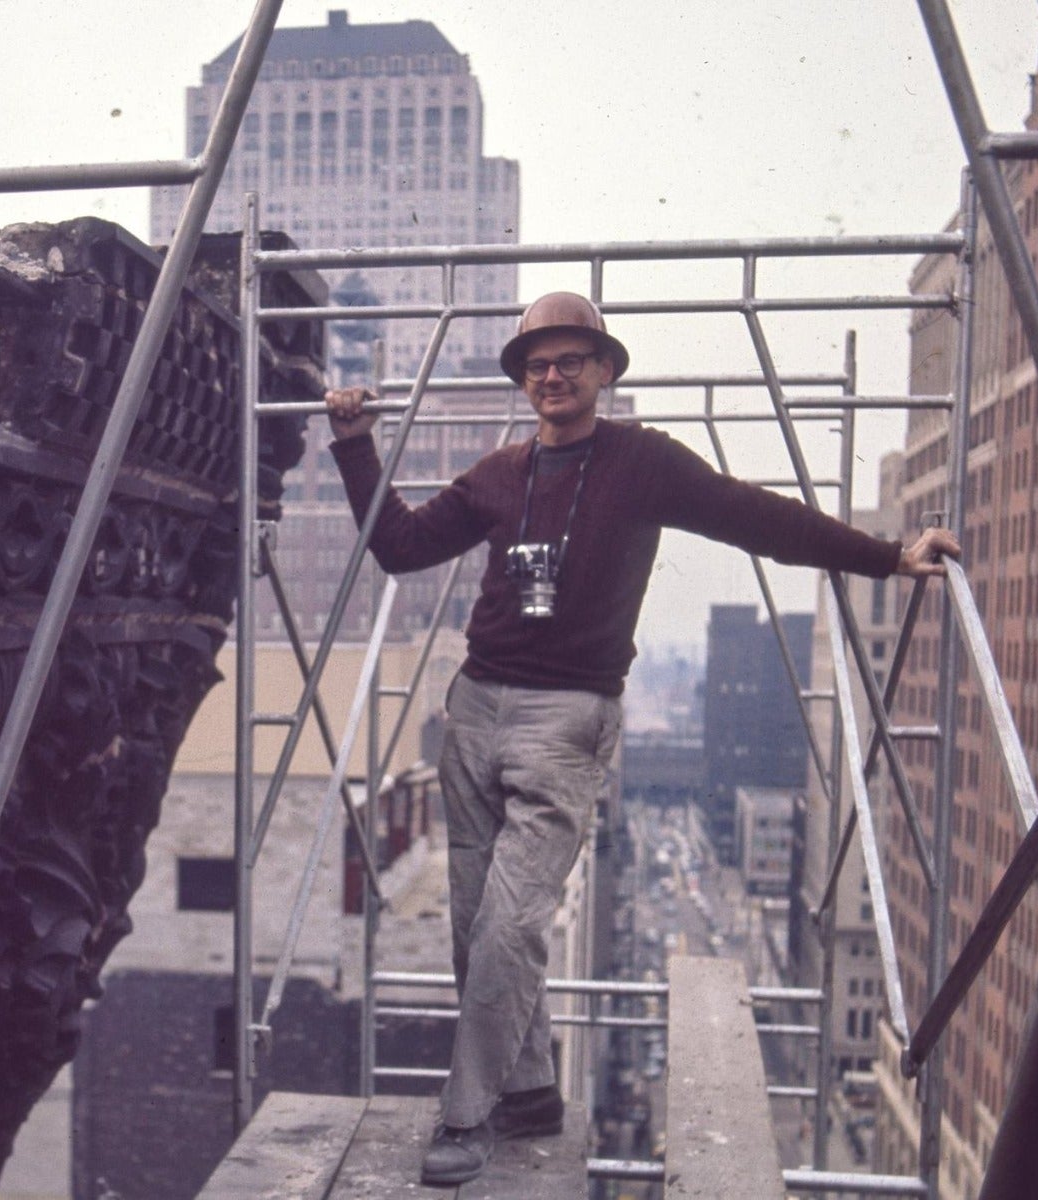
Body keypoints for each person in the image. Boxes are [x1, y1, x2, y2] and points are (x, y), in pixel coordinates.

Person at [322, 292, 959, 1187]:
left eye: (570, 360)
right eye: (537, 365)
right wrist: (354, 445)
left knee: (508, 929)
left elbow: (760, 521)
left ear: (605, 371)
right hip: (472, 712)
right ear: (524, 380)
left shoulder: (642, 463)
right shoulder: (500, 473)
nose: (552, 376)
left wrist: (887, 555)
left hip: (564, 721)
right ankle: (534, 1089)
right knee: (475, 930)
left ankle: (468, 1114)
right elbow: (399, 547)